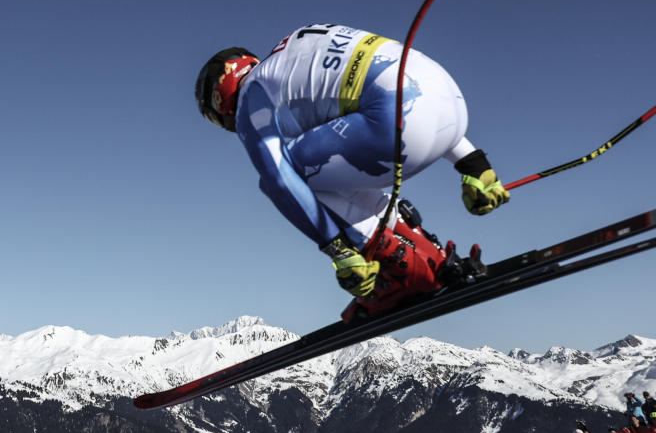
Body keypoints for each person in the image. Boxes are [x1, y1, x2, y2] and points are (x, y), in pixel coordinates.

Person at [195, 25, 509, 317]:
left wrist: (338, 250)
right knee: (332, 161)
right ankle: (426, 250)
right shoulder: (294, 50)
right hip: (451, 106)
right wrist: (473, 165)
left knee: (287, 175)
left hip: (400, 124)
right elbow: (407, 88)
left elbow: (277, 178)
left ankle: (403, 271)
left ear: (220, 96)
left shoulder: (252, 94)